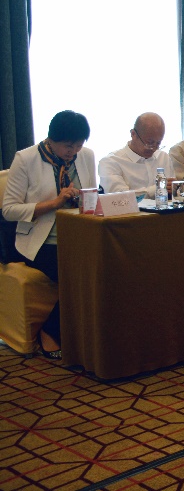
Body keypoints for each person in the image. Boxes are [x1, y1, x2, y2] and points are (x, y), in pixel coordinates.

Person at [2, 110, 96, 359]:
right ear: (51, 139)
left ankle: (93, 333)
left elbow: (92, 195)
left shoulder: (86, 156)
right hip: (39, 241)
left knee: (108, 264)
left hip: (78, 236)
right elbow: (9, 210)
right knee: (79, 272)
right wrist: (55, 203)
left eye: (78, 145)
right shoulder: (26, 159)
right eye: (68, 146)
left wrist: (84, 198)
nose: (73, 152)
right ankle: (50, 331)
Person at [98, 112, 171, 198]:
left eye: (158, 143)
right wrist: (157, 189)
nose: (153, 148)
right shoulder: (110, 162)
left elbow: (171, 192)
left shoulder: (163, 157)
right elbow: (120, 198)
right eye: (149, 143)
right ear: (133, 134)